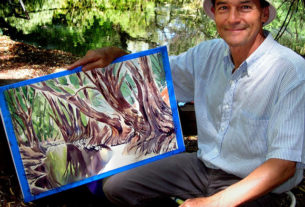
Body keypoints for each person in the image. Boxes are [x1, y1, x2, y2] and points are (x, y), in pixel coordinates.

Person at [68, 0, 305, 206]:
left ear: (263, 14)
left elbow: (283, 166)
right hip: (203, 167)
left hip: (255, 185)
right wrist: (117, 55)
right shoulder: (207, 54)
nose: (233, 18)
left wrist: (214, 202)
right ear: (214, 13)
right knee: (117, 187)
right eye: (224, 7)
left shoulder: (290, 71)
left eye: (245, 7)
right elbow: (154, 75)